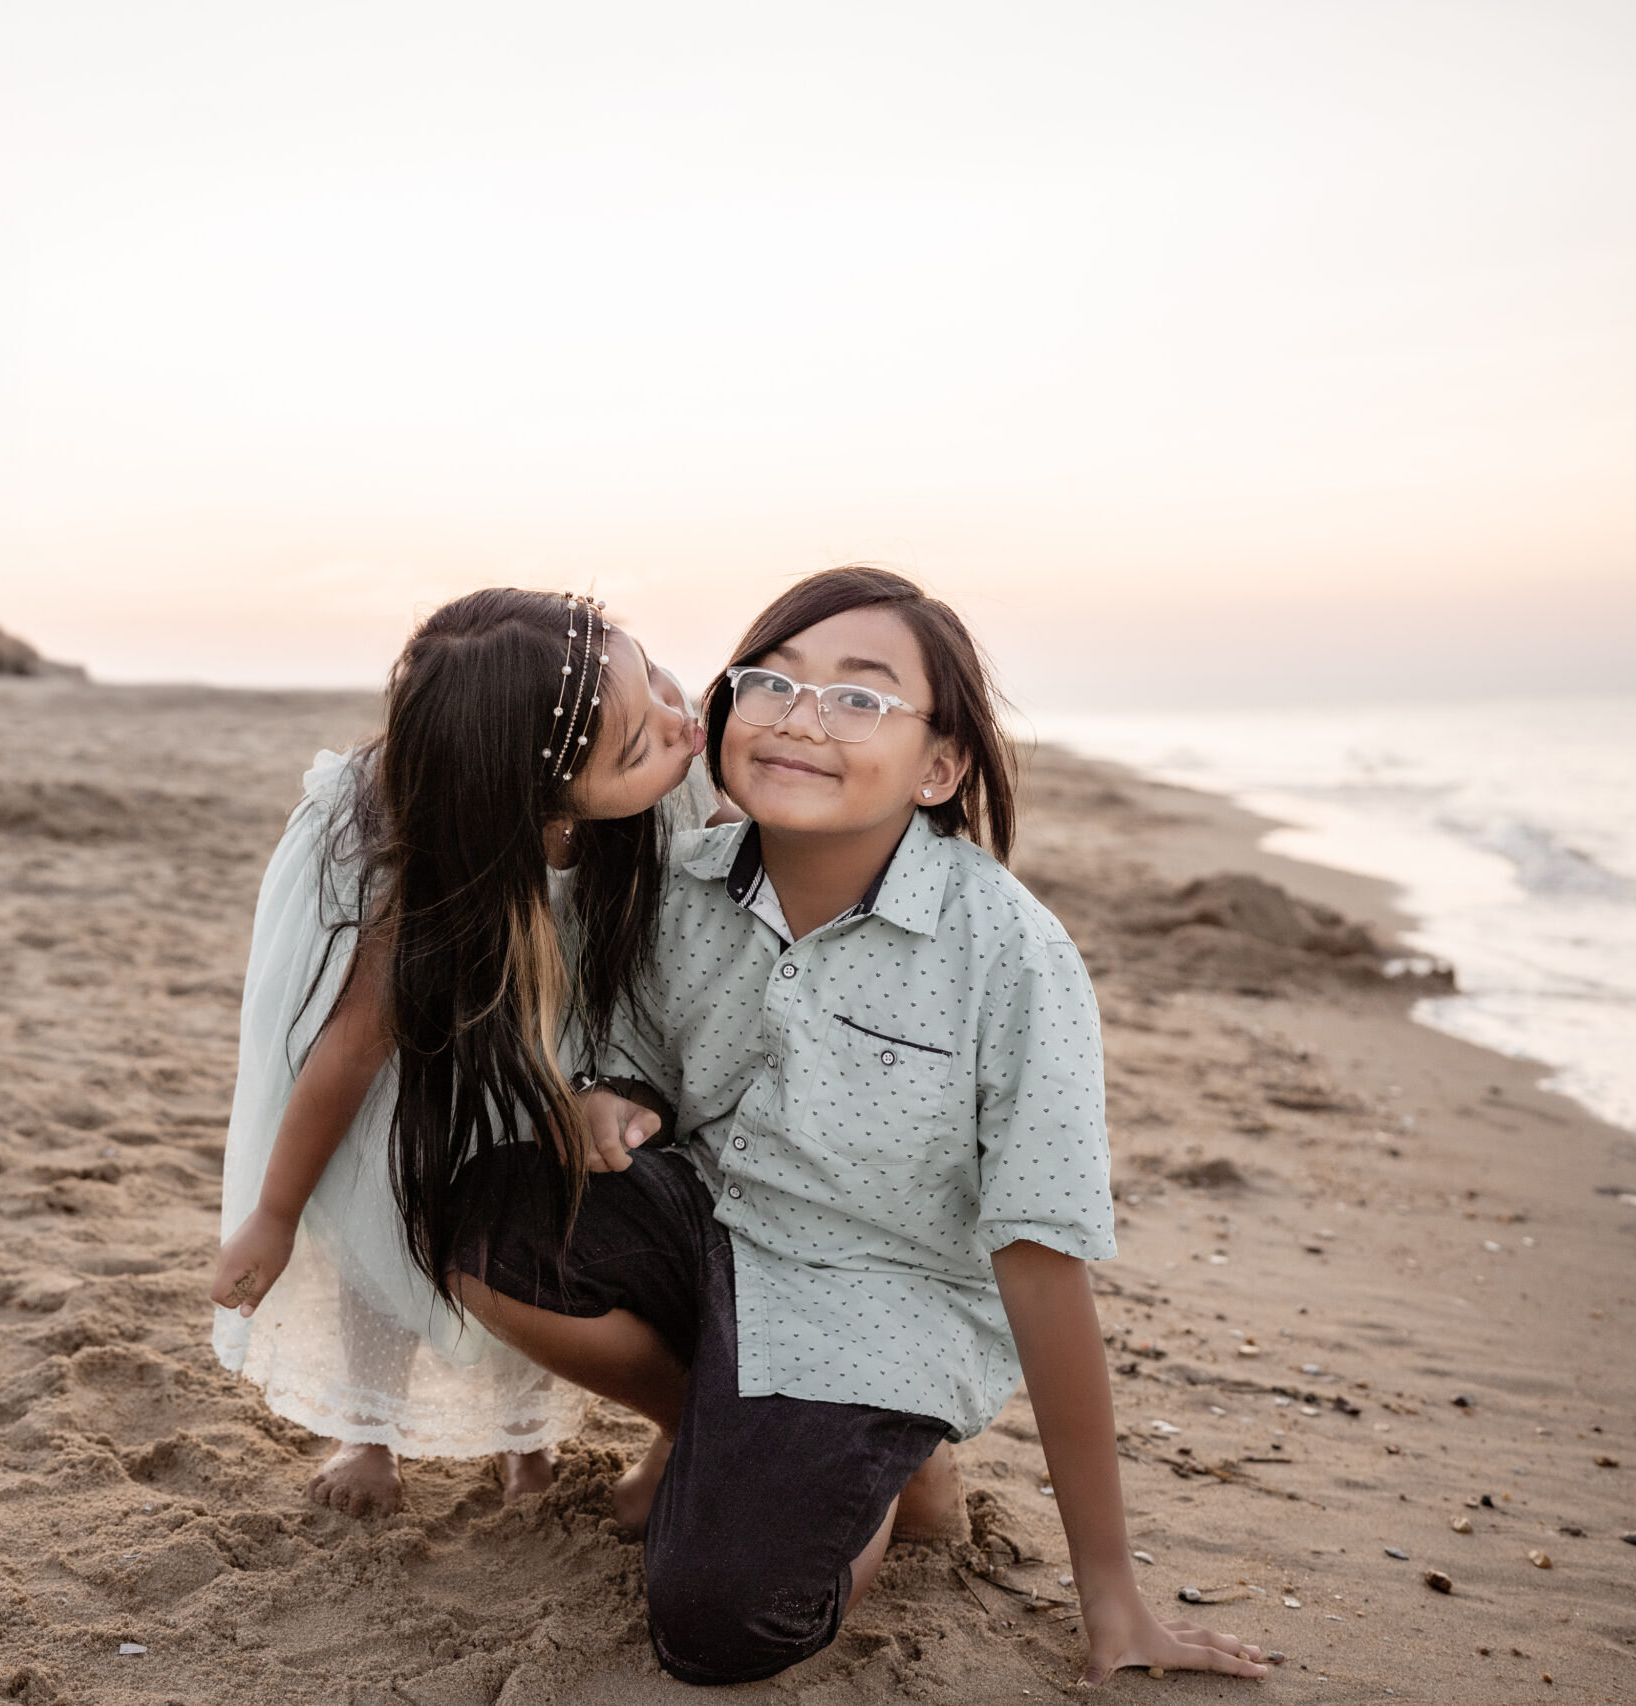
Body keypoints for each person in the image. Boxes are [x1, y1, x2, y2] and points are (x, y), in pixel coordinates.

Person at [444, 567, 1272, 1686]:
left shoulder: (1009, 954)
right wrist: (611, 1096)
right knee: (487, 1214)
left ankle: (895, 1448)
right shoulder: (672, 884)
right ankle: (733, 1423)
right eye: (772, 682)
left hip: (878, 1298)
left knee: (719, 1624)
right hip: (714, 1232)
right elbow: (630, 1050)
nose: (800, 717)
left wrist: (1111, 1592)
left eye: (859, 696)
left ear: (939, 765)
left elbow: (1039, 1261)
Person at [208, 588, 711, 1515]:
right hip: (429, 1067)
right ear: (534, 799)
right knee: (387, 1220)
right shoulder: (429, 880)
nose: (682, 726)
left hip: (562, 1045)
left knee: (540, 1214)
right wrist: (273, 1216)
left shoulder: (649, 748)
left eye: (663, 683)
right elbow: (347, 1056)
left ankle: (529, 1446)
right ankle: (370, 1434)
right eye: (641, 744)